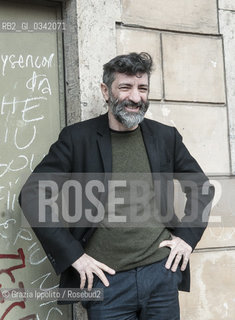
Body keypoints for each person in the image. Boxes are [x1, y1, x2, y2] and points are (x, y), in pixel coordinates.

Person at [19, 52, 214, 320]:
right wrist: (74, 256)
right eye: (125, 87)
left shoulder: (165, 136)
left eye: (142, 88)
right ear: (105, 91)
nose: (136, 97)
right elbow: (33, 194)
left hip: (160, 275)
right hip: (104, 285)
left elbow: (201, 187)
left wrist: (187, 238)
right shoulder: (77, 139)